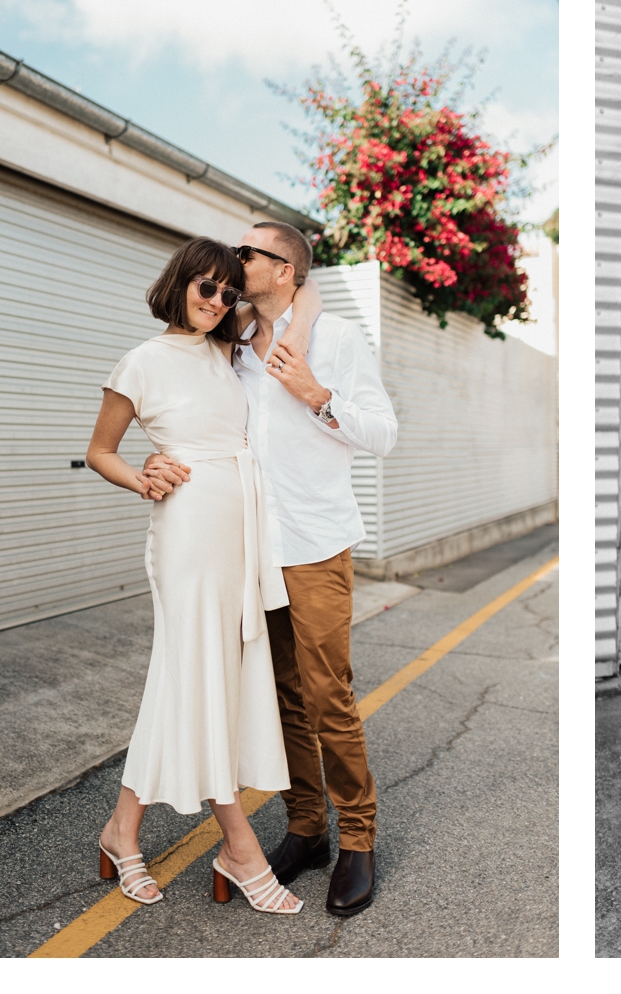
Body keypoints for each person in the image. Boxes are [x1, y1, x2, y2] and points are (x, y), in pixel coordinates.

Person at [144, 221, 397, 917]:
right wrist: (156, 459)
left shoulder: (335, 340)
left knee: (328, 696)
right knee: (282, 695)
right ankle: (308, 829)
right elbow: (182, 408)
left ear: (283, 270)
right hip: (250, 549)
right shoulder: (229, 349)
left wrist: (317, 392)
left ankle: (359, 838)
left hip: (315, 544)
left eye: (249, 252)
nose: (237, 257)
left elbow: (384, 433)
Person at [86, 236, 321, 915]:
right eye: (206, 287)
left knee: (193, 681)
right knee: (199, 677)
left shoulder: (227, 348)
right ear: (180, 281)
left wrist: (293, 316)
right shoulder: (141, 361)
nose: (218, 301)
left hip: (241, 533)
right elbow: (100, 449)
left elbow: (307, 288)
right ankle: (239, 845)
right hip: (187, 529)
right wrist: (142, 476)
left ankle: (122, 830)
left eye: (228, 291)